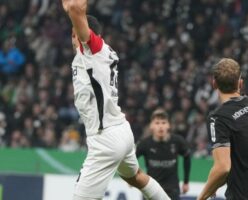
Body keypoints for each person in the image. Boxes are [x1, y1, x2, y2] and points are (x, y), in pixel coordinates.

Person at [61, 0, 170, 199]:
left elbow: (77, 10)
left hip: (105, 139)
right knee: (135, 177)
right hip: (121, 129)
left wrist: (71, 8)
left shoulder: (91, 49)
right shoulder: (102, 51)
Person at [197, 58, 248, 200]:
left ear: (214, 83)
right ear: (240, 82)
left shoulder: (218, 117)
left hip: (244, 195)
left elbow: (223, 168)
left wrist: (202, 196)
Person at [136, 108, 191, 200]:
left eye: (163, 123)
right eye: (157, 123)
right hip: (150, 190)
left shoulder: (177, 141)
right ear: (151, 126)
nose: (160, 126)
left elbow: (187, 157)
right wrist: (133, 176)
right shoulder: (144, 144)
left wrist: (186, 182)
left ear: (168, 125)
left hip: (172, 191)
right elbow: (131, 158)